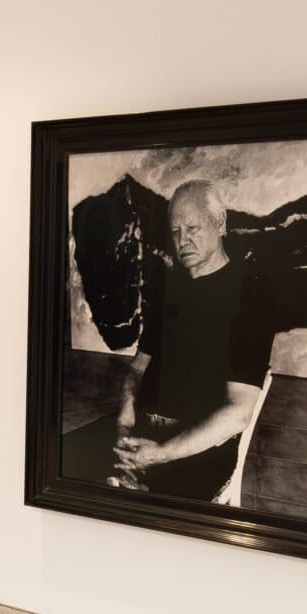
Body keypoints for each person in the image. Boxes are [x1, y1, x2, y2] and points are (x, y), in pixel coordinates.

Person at [110, 180, 273, 501]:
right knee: (58, 465)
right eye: (175, 230)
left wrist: (161, 454)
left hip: (199, 450)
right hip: (142, 430)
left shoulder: (251, 296)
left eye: (192, 228)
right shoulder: (169, 289)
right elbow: (138, 369)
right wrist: (124, 422)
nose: (182, 239)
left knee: (137, 512)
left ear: (220, 224)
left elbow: (238, 412)